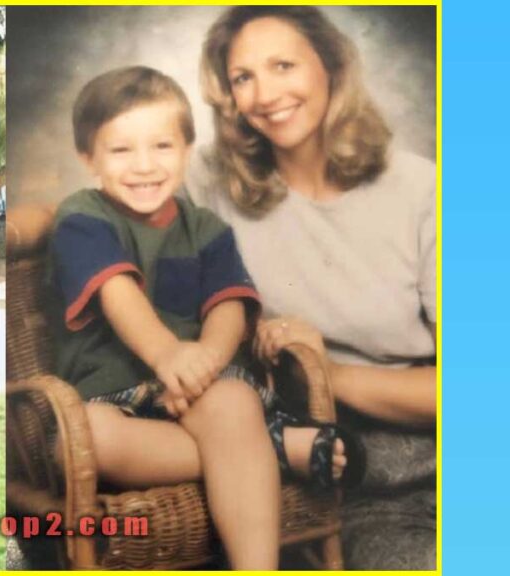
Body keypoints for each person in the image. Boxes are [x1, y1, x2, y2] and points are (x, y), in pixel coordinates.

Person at [47, 65, 361, 570]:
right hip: (111, 394)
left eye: (162, 147)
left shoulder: (207, 229)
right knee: (77, 443)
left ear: (187, 151)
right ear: (89, 159)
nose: (144, 165)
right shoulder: (83, 218)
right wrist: (168, 354)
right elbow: (116, 292)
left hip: (206, 388)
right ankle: (275, 449)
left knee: (233, 405)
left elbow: (228, 306)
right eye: (121, 150)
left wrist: (206, 363)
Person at [189, 6, 437, 569]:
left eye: (283, 65)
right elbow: (117, 201)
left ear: (332, 67)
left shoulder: (424, 188)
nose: (264, 94)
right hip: (361, 481)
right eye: (242, 77)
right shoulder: (210, 184)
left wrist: (325, 372)